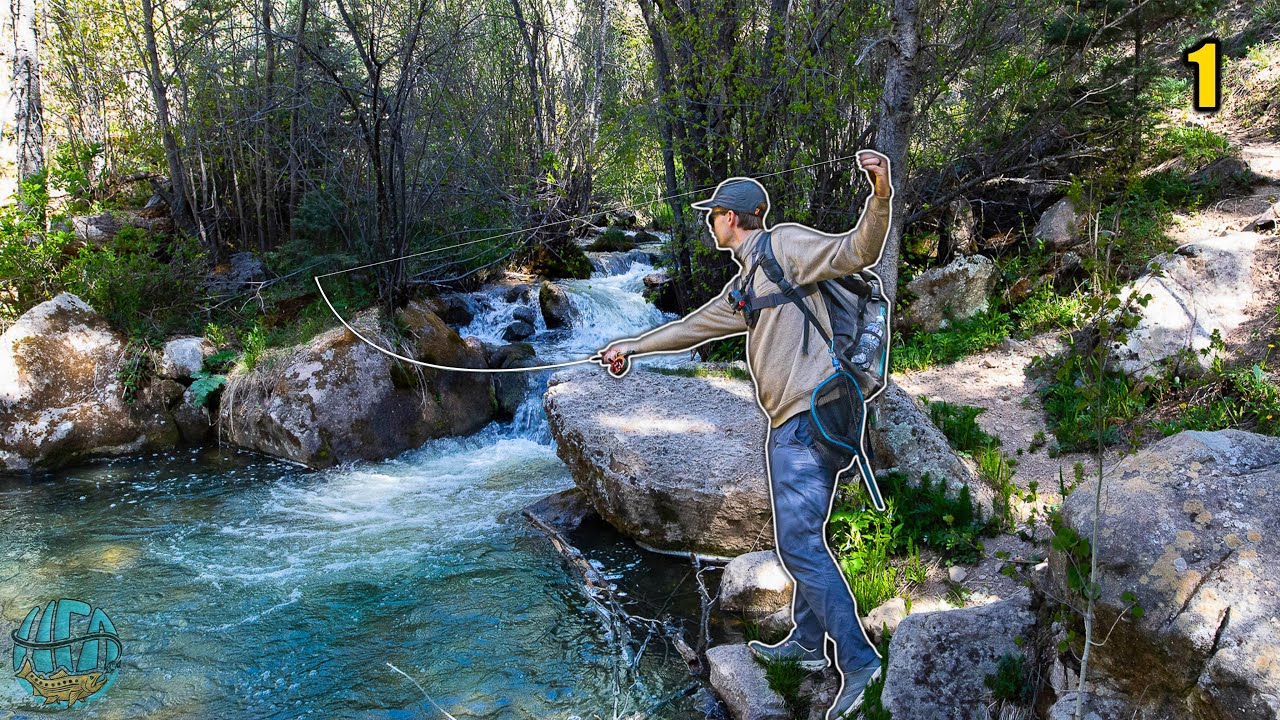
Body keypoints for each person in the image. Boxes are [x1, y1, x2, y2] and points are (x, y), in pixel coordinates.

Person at [595, 151, 893, 719]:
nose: (709, 222)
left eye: (713, 214)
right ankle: (809, 643)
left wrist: (879, 194)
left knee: (799, 546)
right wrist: (631, 348)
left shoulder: (782, 247)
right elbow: (690, 329)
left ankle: (860, 663)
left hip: (810, 419)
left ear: (732, 218)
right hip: (809, 420)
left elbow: (857, 250)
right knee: (809, 537)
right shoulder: (750, 282)